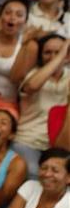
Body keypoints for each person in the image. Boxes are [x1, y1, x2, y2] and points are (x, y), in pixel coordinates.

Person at [13, 34, 70, 179]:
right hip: (29, 141)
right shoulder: (34, 75)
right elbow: (32, 86)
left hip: (59, 147)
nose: (52, 56)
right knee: (36, 175)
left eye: (58, 51)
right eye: (48, 52)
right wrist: (60, 56)